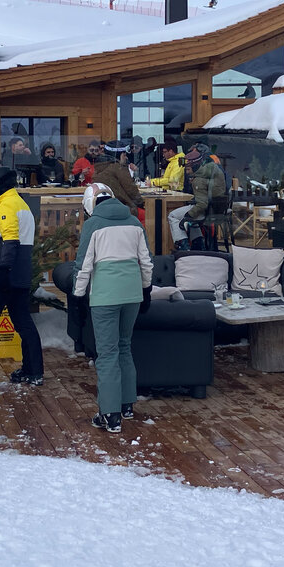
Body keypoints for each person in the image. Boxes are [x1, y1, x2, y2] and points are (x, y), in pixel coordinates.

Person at [72, 183, 152, 433]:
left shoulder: (93, 225)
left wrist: (78, 295)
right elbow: (146, 261)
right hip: (132, 293)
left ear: (90, 205)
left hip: (105, 295)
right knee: (124, 346)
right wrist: (146, 289)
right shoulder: (134, 222)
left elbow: (84, 265)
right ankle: (126, 404)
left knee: (107, 354)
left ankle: (109, 414)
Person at [0, 167, 45, 387]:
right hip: (21, 274)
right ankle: (34, 371)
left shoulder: (7, 206)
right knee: (24, 322)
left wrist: (2, 271)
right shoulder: (22, 205)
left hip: (3, 274)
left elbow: (10, 240)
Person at [169, 143, 227, 247]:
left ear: (195, 166)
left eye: (188, 169)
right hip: (217, 209)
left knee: (173, 215)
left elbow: (202, 204)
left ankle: (183, 246)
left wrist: (187, 216)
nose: (187, 173)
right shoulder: (212, 169)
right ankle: (198, 243)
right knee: (192, 218)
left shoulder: (198, 180)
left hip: (206, 211)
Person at [94, 148, 145, 215]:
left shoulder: (99, 168)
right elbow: (130, 189)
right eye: (124, 155)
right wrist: (142, 203)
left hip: (101, 210)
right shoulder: (118, 168)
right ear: (118, 155)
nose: (126, 158)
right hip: (122, 209)